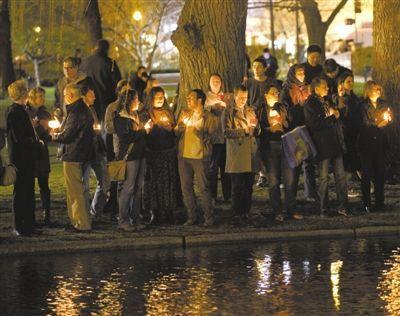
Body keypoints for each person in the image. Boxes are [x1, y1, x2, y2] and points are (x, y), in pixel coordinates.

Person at [51, 83, 95, 231]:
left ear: (70, 95)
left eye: (64, 95)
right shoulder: (84, 109)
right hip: (82, 154)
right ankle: (76, 220)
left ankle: (81, 224)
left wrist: (54, 135)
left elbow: (67, 135)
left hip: (73, 155)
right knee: (77, 190)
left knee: (75, 192)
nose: (63, 98)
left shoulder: (76, 112)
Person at [304, 77, 348, 217]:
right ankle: (324, 208)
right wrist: (332, 117)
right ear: (316, 89)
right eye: (324, 87)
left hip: (334, 143)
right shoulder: (310, 104)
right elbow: (314, 124)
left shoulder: (327, 100)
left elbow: (337, 114)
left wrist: (337, 112)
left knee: (340, 176)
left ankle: (343, 206)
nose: (327, 89)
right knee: (323, 178)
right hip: (322, 145)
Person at [259, 84, 303, 221]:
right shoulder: (261, 110)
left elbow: (291, 124)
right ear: (266, 95)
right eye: (273, 93)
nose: (276, 95)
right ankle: (277, 210)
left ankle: (291, 209)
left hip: (285, 145)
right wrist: (269, 129)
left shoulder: (283, 107)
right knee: (273, 180)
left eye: (277, 92)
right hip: (270, 147)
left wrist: (283, 124)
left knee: (289, 180)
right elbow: (257, 129)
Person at [175, 89, 217, 226]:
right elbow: (176, 131)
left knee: (203, 187)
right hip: (184, 155)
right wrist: (179, 128)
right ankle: (192, 216)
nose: (188, 99)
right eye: (188, 97)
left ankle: (208, 217)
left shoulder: (210, 118)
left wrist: (199, 133)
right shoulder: (185, 113)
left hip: (200, 156)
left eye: (191, 97)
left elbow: (214, 137)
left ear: (200, 100)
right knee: (186, 187)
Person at [6, 80, 42, 236]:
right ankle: (20, 225)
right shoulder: (16, 112)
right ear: (22, 93)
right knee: (22, 191)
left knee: (27, 190)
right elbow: (20, 138)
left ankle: (28, 224)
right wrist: (36, 143)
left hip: (24, 157)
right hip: (22, 158)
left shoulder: (18, 111)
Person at [114, 89, 152, 231]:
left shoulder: (136, 115)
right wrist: (143, 131)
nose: (139, 102)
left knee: (138, 188)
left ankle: (135, 218)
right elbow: (126, 137)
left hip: (141, 154)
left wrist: (146, 129)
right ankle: (123, 220)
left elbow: (139, 134)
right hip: (130, 156)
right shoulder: (120, 118)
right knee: (128, 187)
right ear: (129, 101)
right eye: (136, 99)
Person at [280, 64, 317, 202]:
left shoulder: (307, 88)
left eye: (303, 72)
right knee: (295, 164)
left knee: (309, 163)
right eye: (299, 72)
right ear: (292, 74)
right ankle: (291, 197)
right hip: (294, 130)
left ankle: (311, 193)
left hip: (308, 128)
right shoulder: (287, 90)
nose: (302, 74)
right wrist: (299, 108)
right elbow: (284, 109)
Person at [143, 87, 178, 224]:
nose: (160, 99)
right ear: (151, 98)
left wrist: (171, 129)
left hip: (167, 152)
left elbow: (174, 128)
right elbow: (145, 131)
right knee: (154, 184)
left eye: (162, 96)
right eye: (157, 97)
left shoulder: (168, 112)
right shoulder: (147, 113)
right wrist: (154, 128)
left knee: (168, 183)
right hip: (153, 153)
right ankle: (155, 212)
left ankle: (169, 211)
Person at [225, 85, 259, 223]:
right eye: (240, 97)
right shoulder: (229, 112)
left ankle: (246, 211)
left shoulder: (250, 110)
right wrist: (243, 132)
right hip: (237, 153)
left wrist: (256, 128)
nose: (243, 100)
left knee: (248, 185)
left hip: (250, 151)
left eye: (245, 98)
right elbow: (226, 132)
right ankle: (237, 213)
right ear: (235, 96)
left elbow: (256, 128)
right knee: (237, 185)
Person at [357, 81, 392, 213]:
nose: (378, 91)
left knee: (380, 173)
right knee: (366, 174)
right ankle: (366, 203)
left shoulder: (383, 104)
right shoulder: (362, 106)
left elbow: (390, 118)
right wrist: (378, 125)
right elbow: (364, 124)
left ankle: (380, 202)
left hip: (380, 144)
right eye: (375, 89)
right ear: (369, 90)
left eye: (379, 88)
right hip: (366, 144)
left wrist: (388, 120)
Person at [244, 57, 278, 187]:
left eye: (259, 66)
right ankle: (262, 174)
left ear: (264, 68)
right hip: (253, 118)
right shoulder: (248, 83)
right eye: (254, 66)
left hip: (269, 118)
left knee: (268, 147)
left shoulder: (271, 82)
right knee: (256, 148)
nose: (256, 69)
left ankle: (272, 174)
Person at [81, 86, 110, 217]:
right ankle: (84, 214)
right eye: (92, 95)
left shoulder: (92, 109)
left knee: (104, 183)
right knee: (84, 185)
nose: (95, 97)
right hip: (85, 152)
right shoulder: (80, 111)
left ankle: (95, 210)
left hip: (97, 150)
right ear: (84, 96)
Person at [26, 87, 52, 225]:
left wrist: (44, 129)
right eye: (40, 96)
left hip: (42, 153)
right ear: (32, 97)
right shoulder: (25, 112)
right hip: (30, 154)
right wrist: (35, 127)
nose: (42, 99)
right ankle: (30, 213)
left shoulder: (45, 113)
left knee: (44, 184)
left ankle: (46, 212)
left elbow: (47, 135)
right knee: (29, 185)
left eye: (43, 96)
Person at [80, 39, 122, 121]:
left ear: (96, 47)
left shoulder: (84, 62)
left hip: (87, 100)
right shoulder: (110, 63)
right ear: (107, 49)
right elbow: (118, 84)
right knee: (105, 127)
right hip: (105, 101)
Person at [205, 73, 231, 204]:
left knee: (226, 168)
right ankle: (213, 196)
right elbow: (203, 112)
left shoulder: (226, 97)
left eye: (218, 80)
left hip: (225, 137)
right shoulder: (206, 97)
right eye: (213, 80)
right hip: (213, 138)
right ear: (209, 83)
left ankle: (228, 195)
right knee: (213, 168)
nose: (216, 82)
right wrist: (212, 108)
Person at [333, 72, 362, 174]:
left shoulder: (355, 98)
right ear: (341, 83)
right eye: (348, 81)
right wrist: (342, 97)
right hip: (344, 132)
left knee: (357, 157)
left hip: (355, 131)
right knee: (348, 158)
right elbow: (343, 113)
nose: (351, 83)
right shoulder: (337, 98)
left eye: (352, 81)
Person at [54, 57, 95, 121]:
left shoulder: (86, 81)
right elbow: (57, 101)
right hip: (65, 119)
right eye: (65, 68)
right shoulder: (61, 83)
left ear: (76, 67)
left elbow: (91, 100)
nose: (67, 70)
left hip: (82, 119)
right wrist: (58, 110)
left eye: (70, 68)